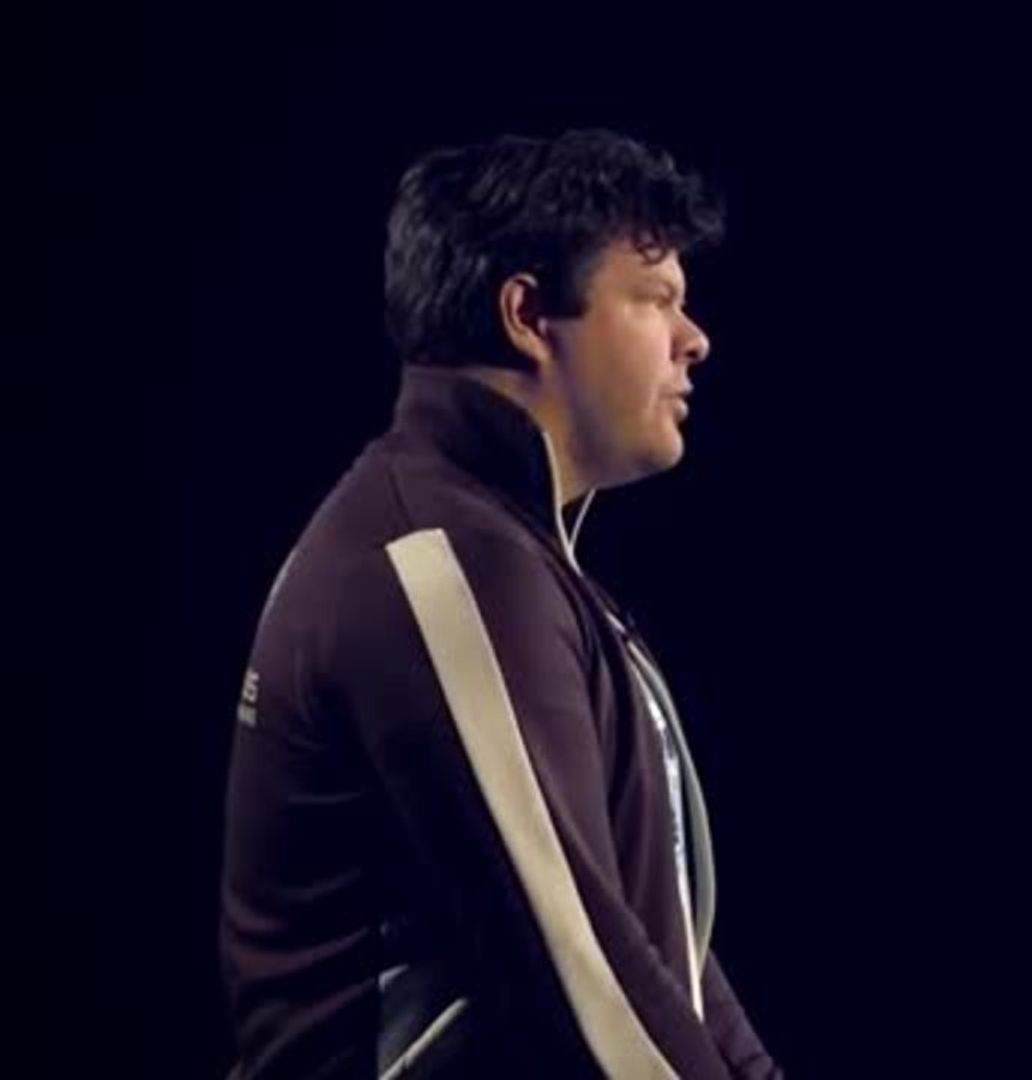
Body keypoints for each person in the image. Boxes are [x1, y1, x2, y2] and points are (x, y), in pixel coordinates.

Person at [220, 129, 780, 1079]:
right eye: (655, 300)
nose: (695, 339)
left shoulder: (515, 558)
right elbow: (588, 985)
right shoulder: (442, 568)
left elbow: (661, 956)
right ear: (527, 315)